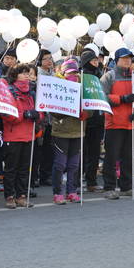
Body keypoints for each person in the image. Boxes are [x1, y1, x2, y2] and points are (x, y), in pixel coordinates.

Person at [100, 47, 134, 199]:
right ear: (117, 60)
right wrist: (122, 99)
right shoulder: (109, 77)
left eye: (129, 58)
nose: (127, 61)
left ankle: (126, 187)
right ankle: (109, 187)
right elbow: (102, 97)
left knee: (129, 157)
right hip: (114, 123)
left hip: (132, 123)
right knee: (111, 156)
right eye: (124, 58)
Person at [2, 63, 42, 208]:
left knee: (25, 168)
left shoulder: (32, 92)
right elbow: (6, 114)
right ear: (15, 75)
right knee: (11, 169)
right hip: (13, 135)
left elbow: (41, 110)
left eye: (28, 73)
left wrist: (38, 115)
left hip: (28, 135)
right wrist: (23, 115)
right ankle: (10, 196)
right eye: (23, 73)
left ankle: (22, 195)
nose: (27, 75)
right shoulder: (9, 91)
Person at [50, 59, 88, 204]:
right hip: (61, 132)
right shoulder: (57, 86)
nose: (74, 75)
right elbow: (52, 110)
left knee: (74, 165)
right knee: (60, 164)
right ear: (63, 73)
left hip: (78, 131)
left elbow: (90, 106)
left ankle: (71, 191)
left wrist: (86, 113)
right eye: (70, 73)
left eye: (76, 72)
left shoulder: (83, 87)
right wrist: (70, 110)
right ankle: (57, 192)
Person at [81, 49, 105, 192]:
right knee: (81, 152)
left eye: (97, 60)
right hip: (83, 120)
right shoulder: (80, 76)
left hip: (98, 119)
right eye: (93, 60)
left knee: (95, 152)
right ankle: (77, 182)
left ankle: (91, 181)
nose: (97, 62)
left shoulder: (100, 76)